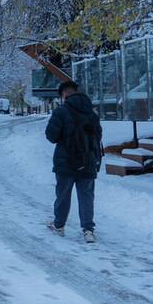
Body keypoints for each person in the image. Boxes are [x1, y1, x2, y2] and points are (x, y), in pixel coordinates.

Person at [45, 80, 104, 243]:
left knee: (63, 194)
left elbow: (51, 136)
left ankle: (59, 226)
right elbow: (98, 136)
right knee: (86, 195)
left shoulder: (61, 111)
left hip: (66, 161)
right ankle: (88, 230)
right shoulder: (92, 113)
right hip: (88, 161)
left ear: (64, 94)